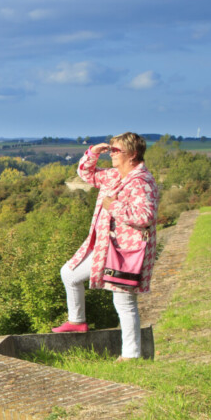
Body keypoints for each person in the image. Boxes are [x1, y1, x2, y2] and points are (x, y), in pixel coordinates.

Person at [52, 132, 160, 360]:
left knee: (124, 301)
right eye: (111, 150)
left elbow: (146, 216)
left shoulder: (141, 182)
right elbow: (85, 173)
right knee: (69, 273)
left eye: (116, 150)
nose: (111, 154)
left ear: (132, 154)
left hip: (126, 252)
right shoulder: (114, 176)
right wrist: (93, 153)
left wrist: (115, 207)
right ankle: (77, 321)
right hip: (105, 247)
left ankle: (131, 356)